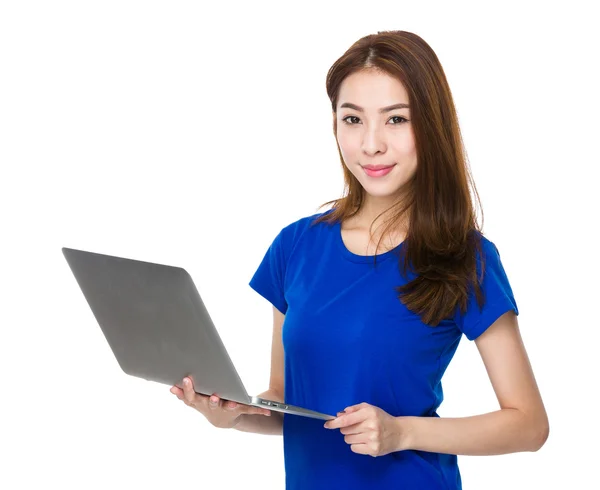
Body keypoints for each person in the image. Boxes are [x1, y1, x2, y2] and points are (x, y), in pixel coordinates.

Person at [170, 29, 549, 489]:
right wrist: (230, 415)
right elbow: (285, 402)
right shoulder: (296, 246)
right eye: (352, 119)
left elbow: (529, 424)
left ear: (431, 126)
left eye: (395, 120)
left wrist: (402, 431)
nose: (371, 144)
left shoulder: (466, 258)